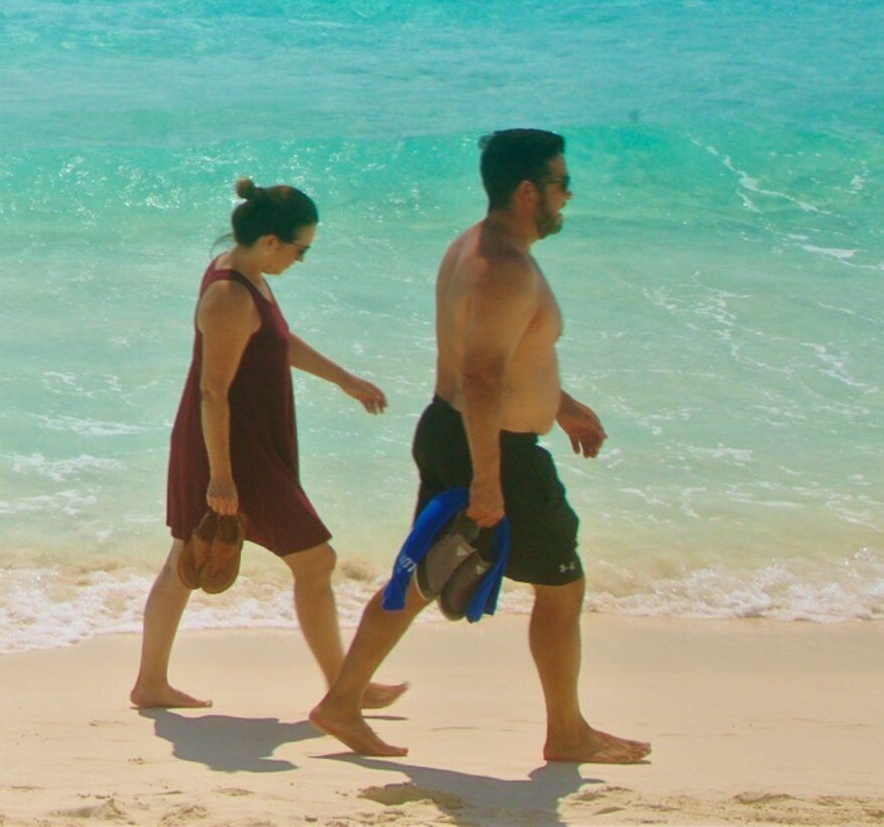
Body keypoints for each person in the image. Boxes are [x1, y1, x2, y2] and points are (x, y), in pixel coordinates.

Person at [307, 130, 648, 766]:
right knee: (561, 586)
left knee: (419, 574)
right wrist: (490, 481)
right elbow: (483, 377)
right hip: (492, 448)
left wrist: (562, 406)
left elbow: (506, 358)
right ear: (527, 191)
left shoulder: (476, 246)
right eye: (559, 183)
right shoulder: (505, 269)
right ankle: (567, 733)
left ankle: (342, 701)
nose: (567, 195)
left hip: (453, 431)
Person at [131, 177, 398, 714]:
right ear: (271, 241)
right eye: (301, 249)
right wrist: (222, 477)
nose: (302, 260)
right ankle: (345, 689)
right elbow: (212, 392)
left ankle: (151, 683)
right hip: (231, 449)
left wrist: (343, 379)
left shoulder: (250, 277)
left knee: (188, 555)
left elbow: (276, 341)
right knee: (313, 560)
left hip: (243, 442)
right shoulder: (228, 295)